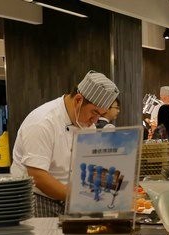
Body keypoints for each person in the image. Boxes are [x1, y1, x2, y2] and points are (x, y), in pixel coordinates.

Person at [10, 70, 119, 216]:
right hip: (36, 199)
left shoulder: (87, 125)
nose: (95, 120)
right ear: (78, 100)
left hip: (68, 197)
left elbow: (91, 165)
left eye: (100, 115)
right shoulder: (43, 122)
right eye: (94, 112)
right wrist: (79, 197)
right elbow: (37, 176)